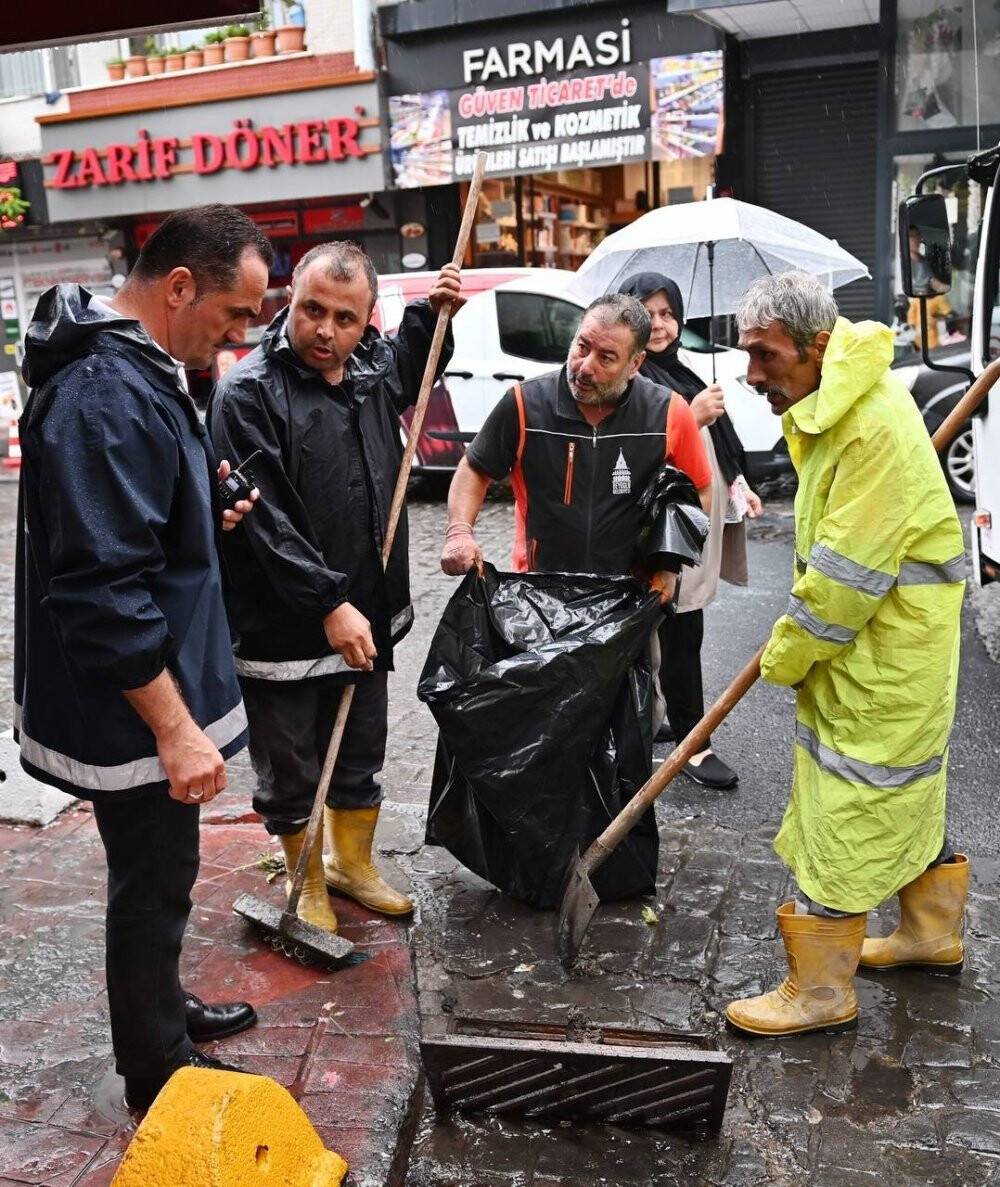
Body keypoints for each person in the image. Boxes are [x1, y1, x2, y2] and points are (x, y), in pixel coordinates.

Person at [15, 204, 274, 1111]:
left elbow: (140, 515)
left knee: (162, 871)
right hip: (132, 704)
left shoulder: (143, 371)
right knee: (153, 881)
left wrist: (207, 496)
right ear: (177, 287)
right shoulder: (103, 392)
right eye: (236, 313)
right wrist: (175, 729)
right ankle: (156, 1067)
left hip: (154, 679)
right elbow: (98, 588)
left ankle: (161, 1009)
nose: (240, 335)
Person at [725, 272, 967, 1039]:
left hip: (883, 651)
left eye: (765, 355)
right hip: (893, 646)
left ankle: (822, 988)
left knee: (852, 802)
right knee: (899, 788)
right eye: (747, 354)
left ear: (818, 345)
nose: (752, 373)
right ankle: (931, 933)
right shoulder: (846, 405)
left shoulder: (868, 426)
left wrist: (786, 653)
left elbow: (842, 582)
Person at [209, 244, 462, 933]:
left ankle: (351, 864)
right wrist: (327, 602)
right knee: (291, 765)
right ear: (289, 298)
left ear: (366, 319)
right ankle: (305, 876)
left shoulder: (373, 368)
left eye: (345, 319)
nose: (325, 331)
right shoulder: (247, 392)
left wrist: (433, 318)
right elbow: (264, 518)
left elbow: (417, 365)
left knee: (359, 748)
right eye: (312, 310)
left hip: (366, 607)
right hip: (282, 622)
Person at [440, 292, 712, 605]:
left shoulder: (668, 412)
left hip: (629, 596)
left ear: (635, 363)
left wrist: (668, 565)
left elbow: (701, 492)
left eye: (606, 357)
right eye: (582, 346)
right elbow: (475, 468)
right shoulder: (525, 403)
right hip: (539, 592)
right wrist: (459, 532)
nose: (584, 366)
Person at [618, 273, 762, 790]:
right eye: (647, 312)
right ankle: (693, 748)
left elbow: (720, 447)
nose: (659, 324)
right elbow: (635, 452)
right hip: (662, 532)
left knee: (677, 630)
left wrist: (740, 484)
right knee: (681, 631)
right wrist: (692, 417)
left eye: (667, 313)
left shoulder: (681, 372)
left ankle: (674, 719)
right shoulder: (631, 378)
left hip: (694, 521)